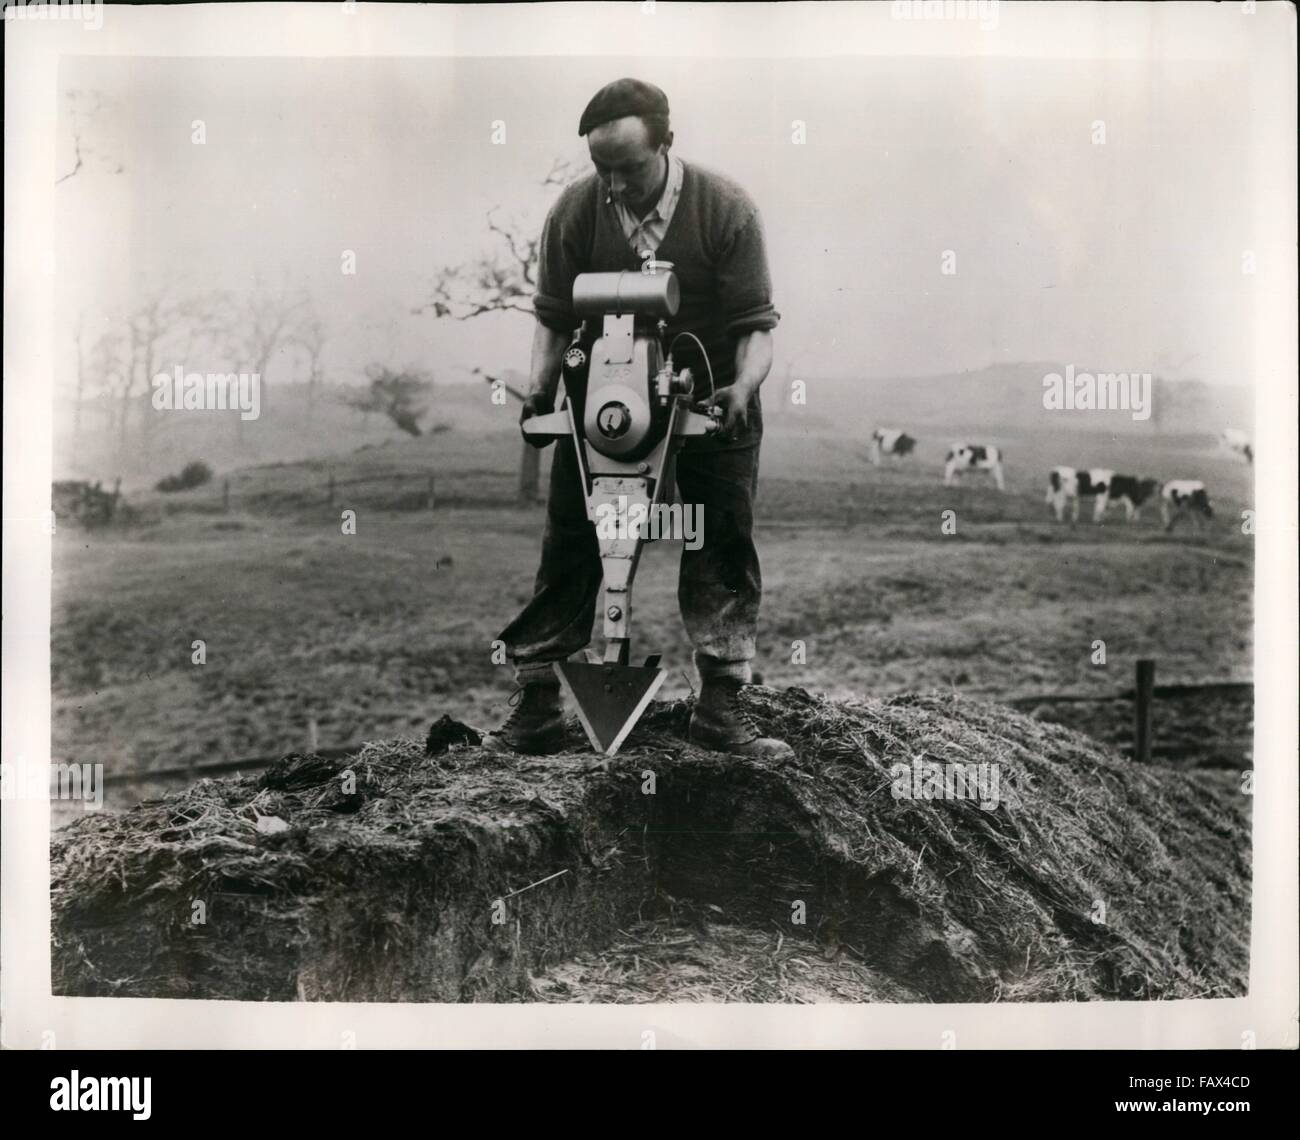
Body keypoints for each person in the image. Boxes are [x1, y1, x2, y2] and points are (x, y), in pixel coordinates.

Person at [484, 78, 793, 762]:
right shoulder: (575, 211)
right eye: (602, 168)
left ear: (666, 144)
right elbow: (553, 318)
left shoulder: (725, 209)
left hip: (711, 394)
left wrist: (742, 388)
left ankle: (723, 701)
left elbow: (756, 327)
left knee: (718, 537)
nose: (615, 184)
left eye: (628, 167)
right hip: (605, 398)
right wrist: (541, 393)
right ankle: (537, 703)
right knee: (572, 536)